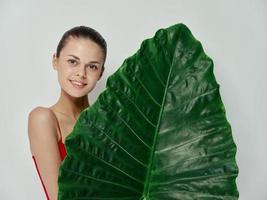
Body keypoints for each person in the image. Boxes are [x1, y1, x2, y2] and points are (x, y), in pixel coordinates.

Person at [27, 25, 107, 200]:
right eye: (73, 61)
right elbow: (60, 197)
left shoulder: (108, 125)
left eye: (92, 66)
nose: (81, 73)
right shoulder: (43, 119)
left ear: (101, 73)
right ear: (55, 61)